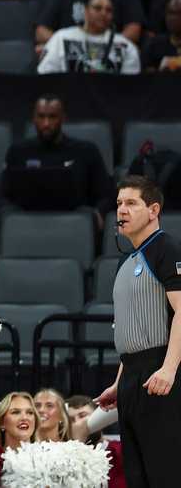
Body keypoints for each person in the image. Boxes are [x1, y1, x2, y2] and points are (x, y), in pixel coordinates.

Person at [95, 175, 181, 488]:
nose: (122, 210)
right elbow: (132, 327)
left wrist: (169, 370)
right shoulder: (124, 261)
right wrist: (119, 383)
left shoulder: (165, 248)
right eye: (119, 203)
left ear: (154, 210)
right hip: (133, 374)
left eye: (132, 203)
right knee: (137, 475)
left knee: (165, 472)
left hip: (161, 371)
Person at [1, 95, 113, 218]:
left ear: (63, 118)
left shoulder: (86, 151)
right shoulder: (17, 152)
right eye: (41, 116)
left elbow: (105, 195)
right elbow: (4, 197)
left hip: (75, 224)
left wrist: (98, 213)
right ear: (34, 118)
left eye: (52, 117)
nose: (46, 123)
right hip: (28, 223)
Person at [38, 0, 140, 75]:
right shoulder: (61, 37)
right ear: (85, 11)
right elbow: (46, 74)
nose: (103, 13)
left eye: (109, 10)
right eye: (97, 8)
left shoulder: (126, 45)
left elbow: (130, 85)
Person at [67, 395, 125, 488]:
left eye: (82, 416)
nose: (78, 423)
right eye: (71, 420)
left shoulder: (121, 451)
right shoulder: (63, 459)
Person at [143, 0, 181, 73]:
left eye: (178, 13)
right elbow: (145, 73)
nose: (172, 18)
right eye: (170, 13)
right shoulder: (155, 44)